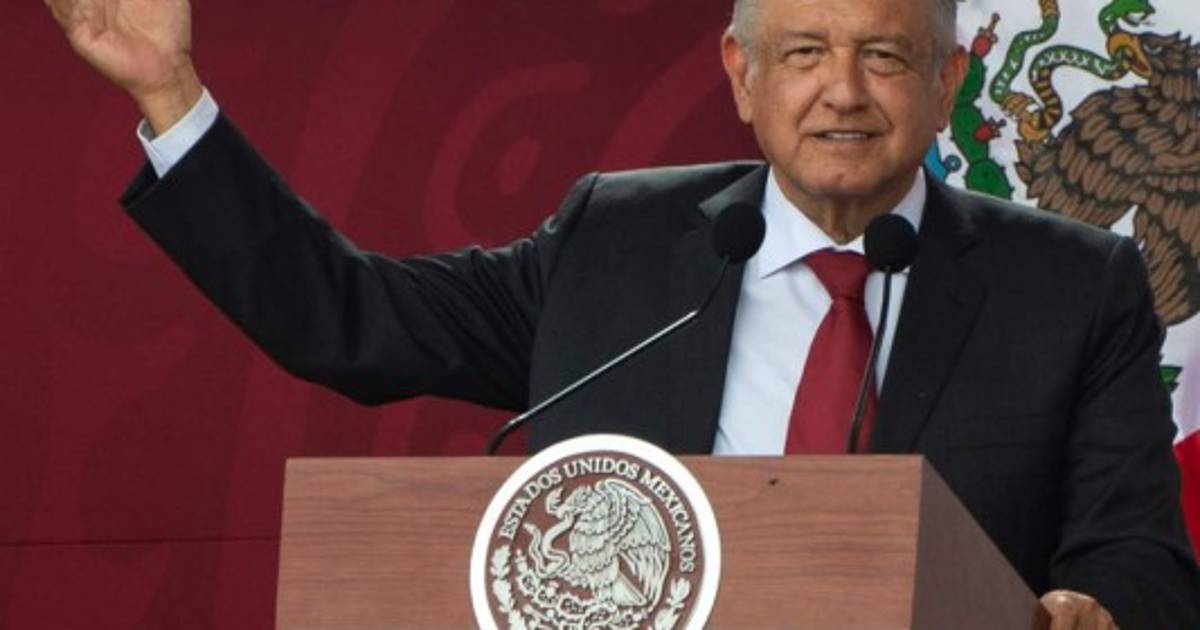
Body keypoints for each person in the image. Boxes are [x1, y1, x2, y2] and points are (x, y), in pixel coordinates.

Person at [45, 0, 1200, 626]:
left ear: (945, 83)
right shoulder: (615, 240)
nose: (842, 92)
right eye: (804, 52)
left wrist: (1090, 609)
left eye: (884, 56)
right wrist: (171, 97)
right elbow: (347, 319)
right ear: (742, 75)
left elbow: (1141, 561)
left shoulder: (1073, 284)